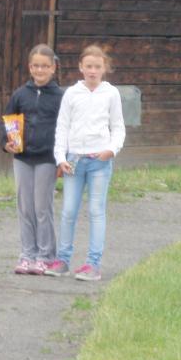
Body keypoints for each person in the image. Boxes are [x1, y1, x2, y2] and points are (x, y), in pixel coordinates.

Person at [44, 44, 125, 282]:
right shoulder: (72, 93)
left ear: (104, 68)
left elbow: (118, 127)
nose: (92, 71)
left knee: (96, 211)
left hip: (99, 161)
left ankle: (93, 264)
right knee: (69, 211)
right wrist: (60, 158)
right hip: (74, 162)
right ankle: (63, 260)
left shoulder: (111, 94)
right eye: (88, 66)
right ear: (81, 67)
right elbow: (62, 127)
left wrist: (111, 150)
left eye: (97, 67)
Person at [2, 44, 64, 275]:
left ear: (53, 68)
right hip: (22, 159)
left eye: (45, 66)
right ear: (30, 67)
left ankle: (46, 256)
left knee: (42, 208)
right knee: (25, 208)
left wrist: (62, 159)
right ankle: (27, 254)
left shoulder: (61, 97)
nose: (40, 70)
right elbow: (8, 121)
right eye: (36, 66)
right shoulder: (20, 94)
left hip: (47, 159)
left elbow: (66, 128)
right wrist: (6, 143)